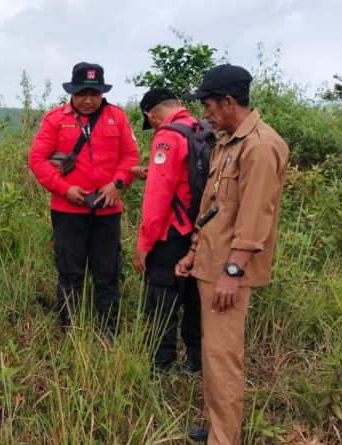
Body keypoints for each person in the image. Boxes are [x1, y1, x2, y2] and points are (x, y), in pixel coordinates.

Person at [176, 64, 289, 444]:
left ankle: (224, 439)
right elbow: (214, 209)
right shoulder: (228, 144)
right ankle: (217, 427)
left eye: (207, 104)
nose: (203, 112)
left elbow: (255, 216)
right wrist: (194, 252)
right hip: (211, 263)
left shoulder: (260, 146)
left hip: (228, 271)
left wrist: (232, 271)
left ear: (227, 102)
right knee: (212, 356)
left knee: (223, 358)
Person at [28, 62, 138, 335]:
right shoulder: (54, 119)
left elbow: (130, 156)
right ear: (72, 92)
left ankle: (109, 330)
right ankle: (68, 329)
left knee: (108, 273)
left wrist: (117, 184)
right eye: (82, 94)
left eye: (94, 94)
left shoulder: (117, 117)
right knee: (69, 272)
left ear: (102, 93)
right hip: (68, 210)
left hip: (108, 210)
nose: (88, 100)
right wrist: (64, 189)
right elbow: (37, 159)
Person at [133, 87, 201, 373]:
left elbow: (159, 196)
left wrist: (144, 243)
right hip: (199, 230)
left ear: (151, 115)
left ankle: (160, 366)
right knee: (194, 298)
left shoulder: (168, 135)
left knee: (161, 299)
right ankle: (197, 360)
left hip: (171, 232)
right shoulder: (199, 128)